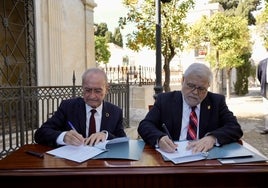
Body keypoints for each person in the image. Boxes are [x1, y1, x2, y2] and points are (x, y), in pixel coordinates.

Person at [138, 63, 243, 153]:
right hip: (172, 158)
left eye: (201, 88)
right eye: (191, 85)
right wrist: (159, 138)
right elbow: (145, 125)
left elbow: (235, 127)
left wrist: (212, 138)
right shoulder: (165, 100)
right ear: (182, 80)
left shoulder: (216, 101)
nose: (195, 92)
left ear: (208, 86)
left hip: (205, 159)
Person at [34, 68, 126, 147]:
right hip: (74, 164)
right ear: (82, 88)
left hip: (102, 164)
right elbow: (40, 134)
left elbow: (123, 141)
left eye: (98, 91)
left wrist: (105, 135)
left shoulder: (115, 112)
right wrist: (63, 136)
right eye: (88, 90)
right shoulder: (68, 107)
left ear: (107, 89)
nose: (92, 96)